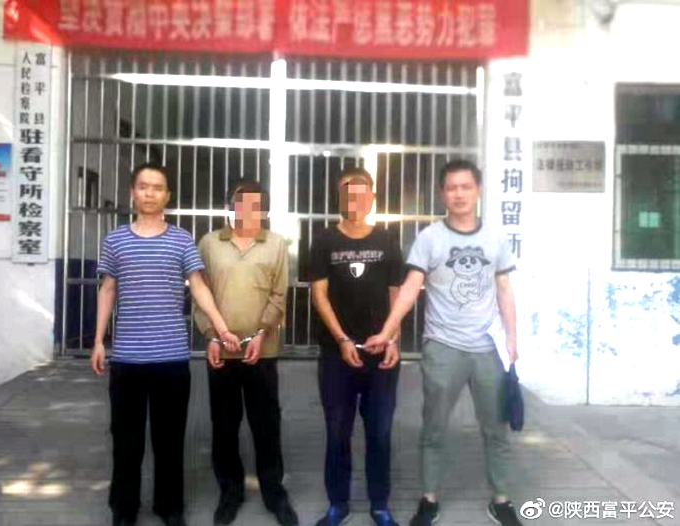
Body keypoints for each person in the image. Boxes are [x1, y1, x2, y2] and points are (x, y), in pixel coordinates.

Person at [365, 159, 523, 526]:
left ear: (478, 190)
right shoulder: (429, 238)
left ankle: (501, 499)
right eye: (451, 188)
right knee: (434, 428)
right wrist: (387, 331)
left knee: (495, 429)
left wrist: (512, 340)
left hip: (488, 349)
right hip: (442, 348)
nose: (459, 194)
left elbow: (505, 290)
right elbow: (409, 289)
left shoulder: (495, 238)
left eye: (466, 187)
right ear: (442, 193)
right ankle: (429, 499)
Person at [91, 163, 234, 526]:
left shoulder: (181, 240)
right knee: (126, 440)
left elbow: (198, 286)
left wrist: (221, 328)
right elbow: (108, 289)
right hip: (127, 359)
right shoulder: (115, 240)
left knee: (169, 439)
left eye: (157, 187)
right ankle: (123, 509)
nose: (150, 193)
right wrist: (98, 341)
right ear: (132, 193)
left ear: (167, 196)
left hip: (171, 359)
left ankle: (169, 507)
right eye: (143, 186)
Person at [193, 180, 298, 526]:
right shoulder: (210, 243)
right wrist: (211, 335)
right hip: (221, 352)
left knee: (266, 425)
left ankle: (274, 492)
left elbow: (279, 295)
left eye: (255, 204)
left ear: (263, 210)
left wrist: (261, 334)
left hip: (261, 352)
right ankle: (230, 491)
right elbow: (200, 293)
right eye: (241, 203)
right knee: (224, 426)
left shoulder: (276, 244)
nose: (248, 210)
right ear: (231, 207)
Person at [310, 167, 403, 526]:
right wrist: (342, 339)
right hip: (337, 355)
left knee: (379, 432)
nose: (355, 200)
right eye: (348, 193)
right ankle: (339, 504)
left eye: (362, 194)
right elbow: (319, 295)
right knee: (337, 432)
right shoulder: (324, 240)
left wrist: (393, 339)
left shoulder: (387, 240)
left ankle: (380, 504)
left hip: (380, 353)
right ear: (340, 198)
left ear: (372, 199)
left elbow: (396, 295)